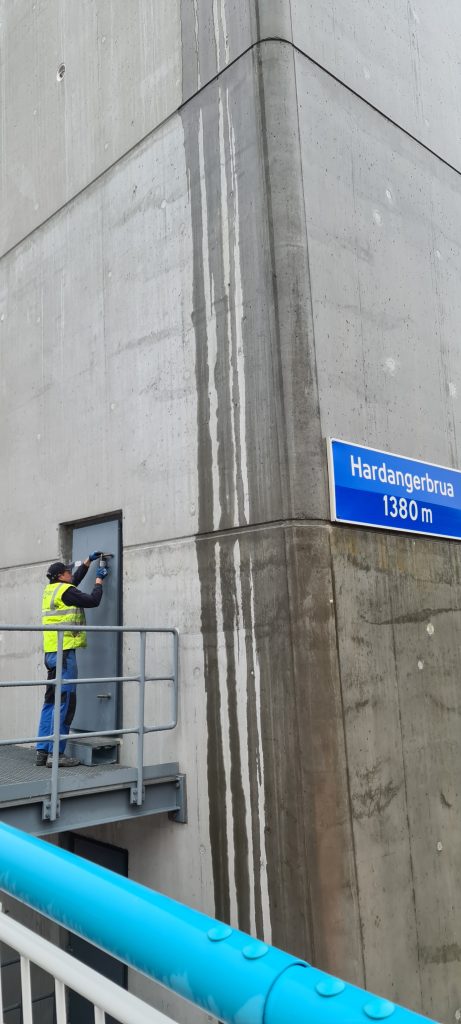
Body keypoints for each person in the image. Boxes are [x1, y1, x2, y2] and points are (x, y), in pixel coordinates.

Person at [35, 553, 110, 767]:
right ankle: (56, 755)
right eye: (68, 571)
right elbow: (93, 601)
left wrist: (87, 562)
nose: (71, 573)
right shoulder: (65, 591)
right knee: (65, 702)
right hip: (65, 652)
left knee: (50, 701)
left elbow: (73, 583)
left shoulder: (52, 589)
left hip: (51, 653)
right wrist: (99, 580)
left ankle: (42, 751)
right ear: (61, 576)